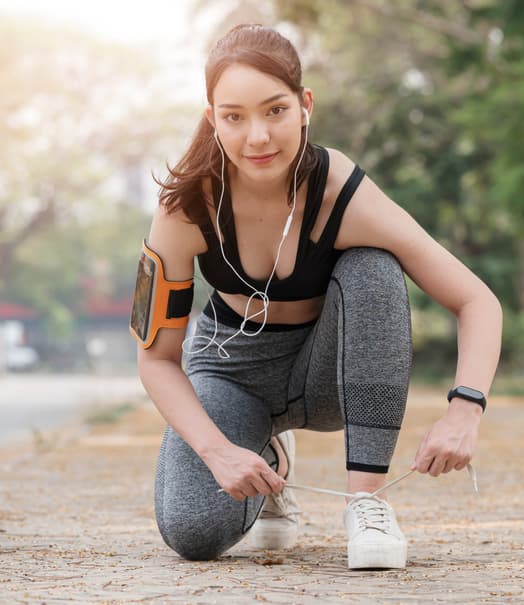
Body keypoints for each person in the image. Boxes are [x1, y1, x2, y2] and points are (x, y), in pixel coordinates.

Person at [133, 23, 502, 569]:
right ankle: (268, 454)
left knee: (375, 265)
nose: (257, 136)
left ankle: (367, 504)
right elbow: (157, 359)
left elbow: (477, 300)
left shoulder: (343, 193)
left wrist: (465, 409)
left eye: (275, 110)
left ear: (305, 105)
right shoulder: (186, 207)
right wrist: (218, 452)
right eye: (234, 117)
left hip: (328, 374)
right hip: (232, 373)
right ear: (213, 119)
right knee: (193, 533)